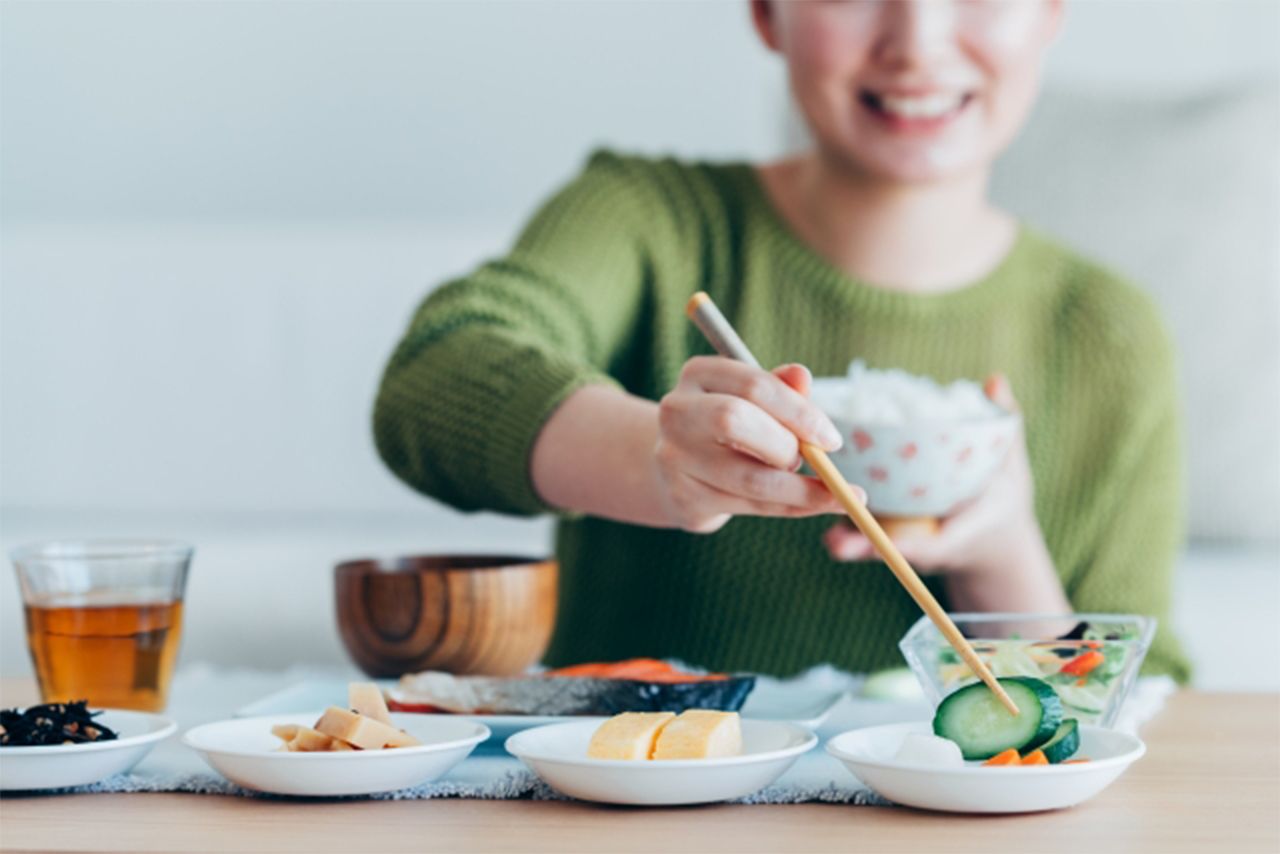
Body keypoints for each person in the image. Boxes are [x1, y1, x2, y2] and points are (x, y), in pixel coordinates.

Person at [373, 0, 1189, 680]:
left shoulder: (1111, 337)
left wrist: (1001, 555)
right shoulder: (649, 219)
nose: (917, 43)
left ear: (1050, 13)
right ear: (768, 13)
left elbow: (1149, 714)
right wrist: (659, 463)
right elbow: (436, 375)